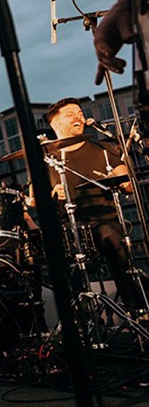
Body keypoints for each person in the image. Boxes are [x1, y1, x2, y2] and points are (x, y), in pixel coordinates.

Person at [36, 98, 142, 311]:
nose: (78, 117)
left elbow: (129, 185)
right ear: (55, 124)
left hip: (104, 219)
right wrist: (50, 196)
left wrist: (120, 178)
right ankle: (79, 317)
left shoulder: (102, 148)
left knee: (114, 240)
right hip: (69, 225)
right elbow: (36, 200)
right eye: (70, 114)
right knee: (60, 258)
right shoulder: (45, 158)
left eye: (80, 113)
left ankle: (137, 310)